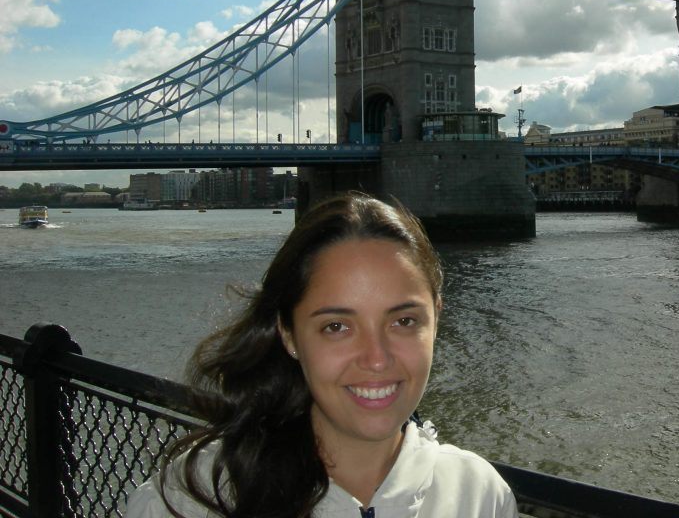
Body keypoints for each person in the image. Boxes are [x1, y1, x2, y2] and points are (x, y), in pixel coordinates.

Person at [127, 192, 518, 518]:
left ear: (436, 319)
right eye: (337, 326)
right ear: (289, 334)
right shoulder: (195, 498)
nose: (377, 359)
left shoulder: (480, 496)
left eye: (403, 321)